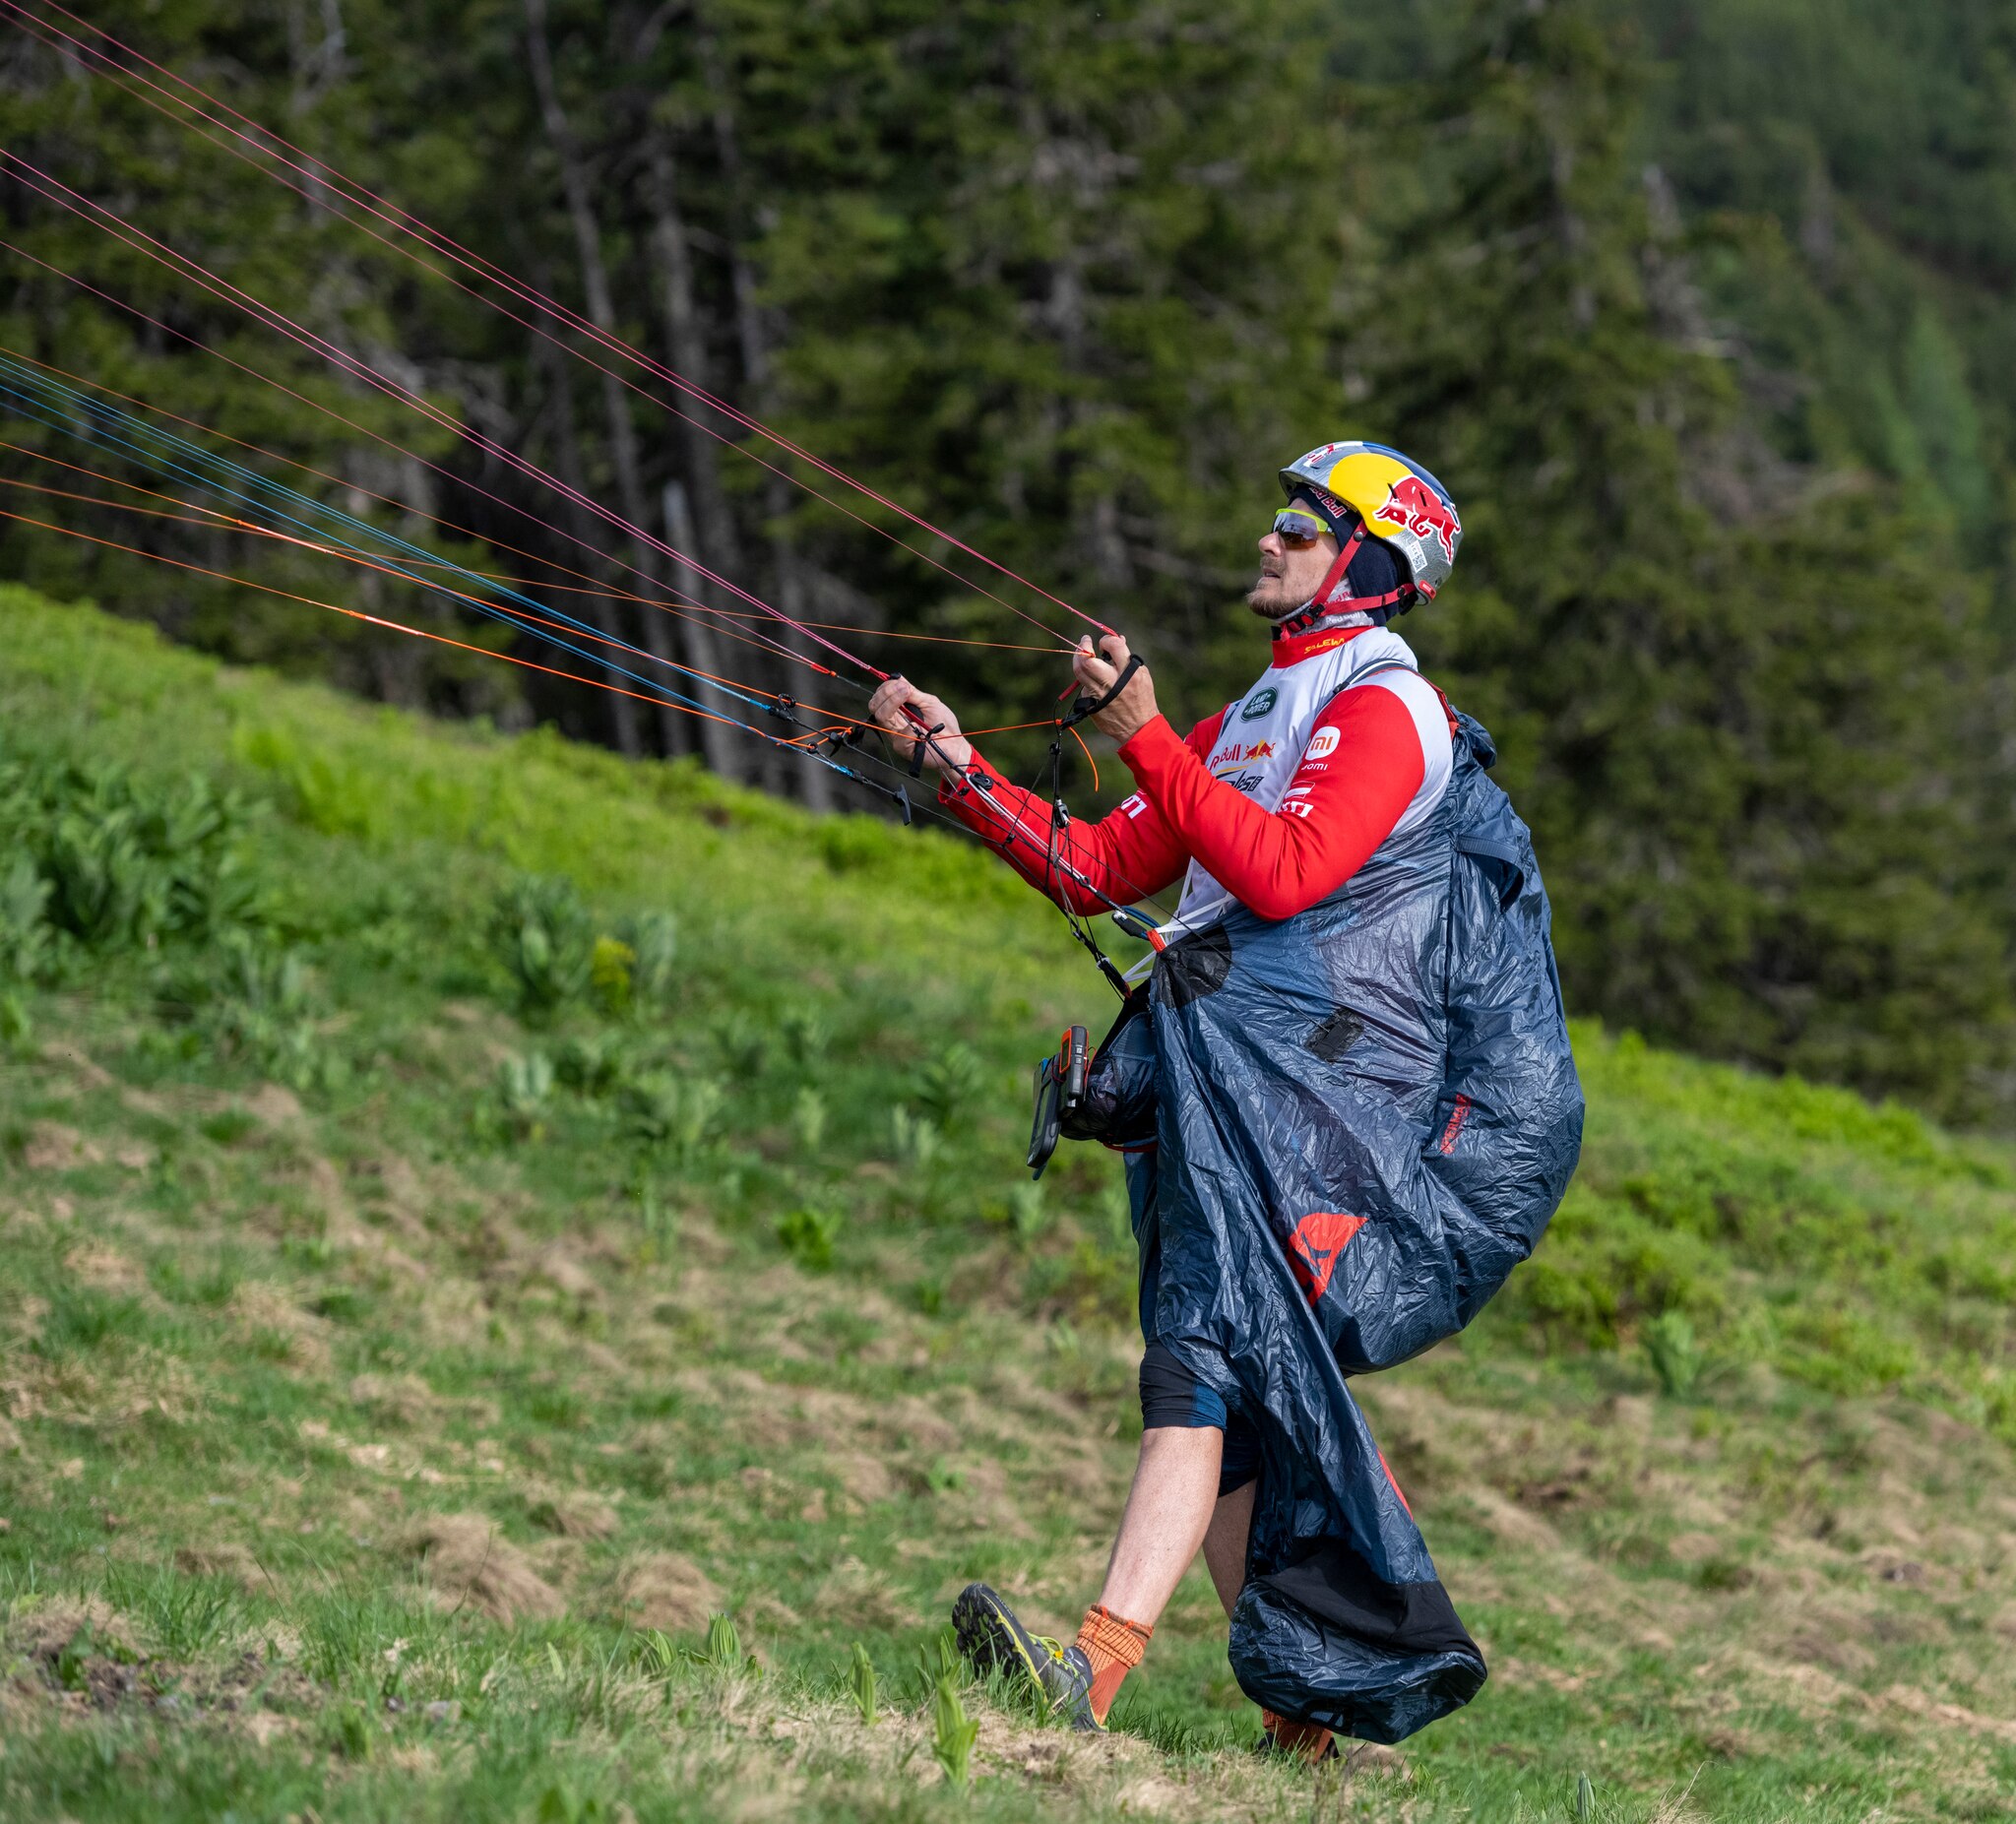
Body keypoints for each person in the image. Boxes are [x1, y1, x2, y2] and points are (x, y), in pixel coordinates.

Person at [871, 443, 1579, 1759]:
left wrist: (1140, 730)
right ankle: (1303, 1725)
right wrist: (958, 765)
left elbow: (1289, 872)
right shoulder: (1247, 720)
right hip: (1227, 1098)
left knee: (1199, 1359)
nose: (1267, 539)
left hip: (1326, 1122)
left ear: (1365, 567)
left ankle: (1086, 1677)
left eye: (1300, 529)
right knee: (1234, 1396)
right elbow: (1098, 865)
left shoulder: (1386, 712)